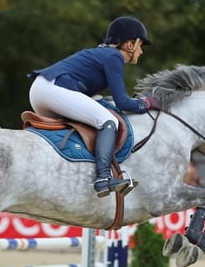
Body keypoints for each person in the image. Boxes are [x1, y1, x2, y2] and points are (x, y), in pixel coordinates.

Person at [28, 16, 160, 198]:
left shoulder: (103, 53)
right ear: (130, 44)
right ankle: (103, 178)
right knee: (107, 120)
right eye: (141, 45)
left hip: (42, 89)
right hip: (51, 89)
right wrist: (148, 103)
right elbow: (123, 103)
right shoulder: (114, 56)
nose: (141, 52)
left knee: (92, 117)